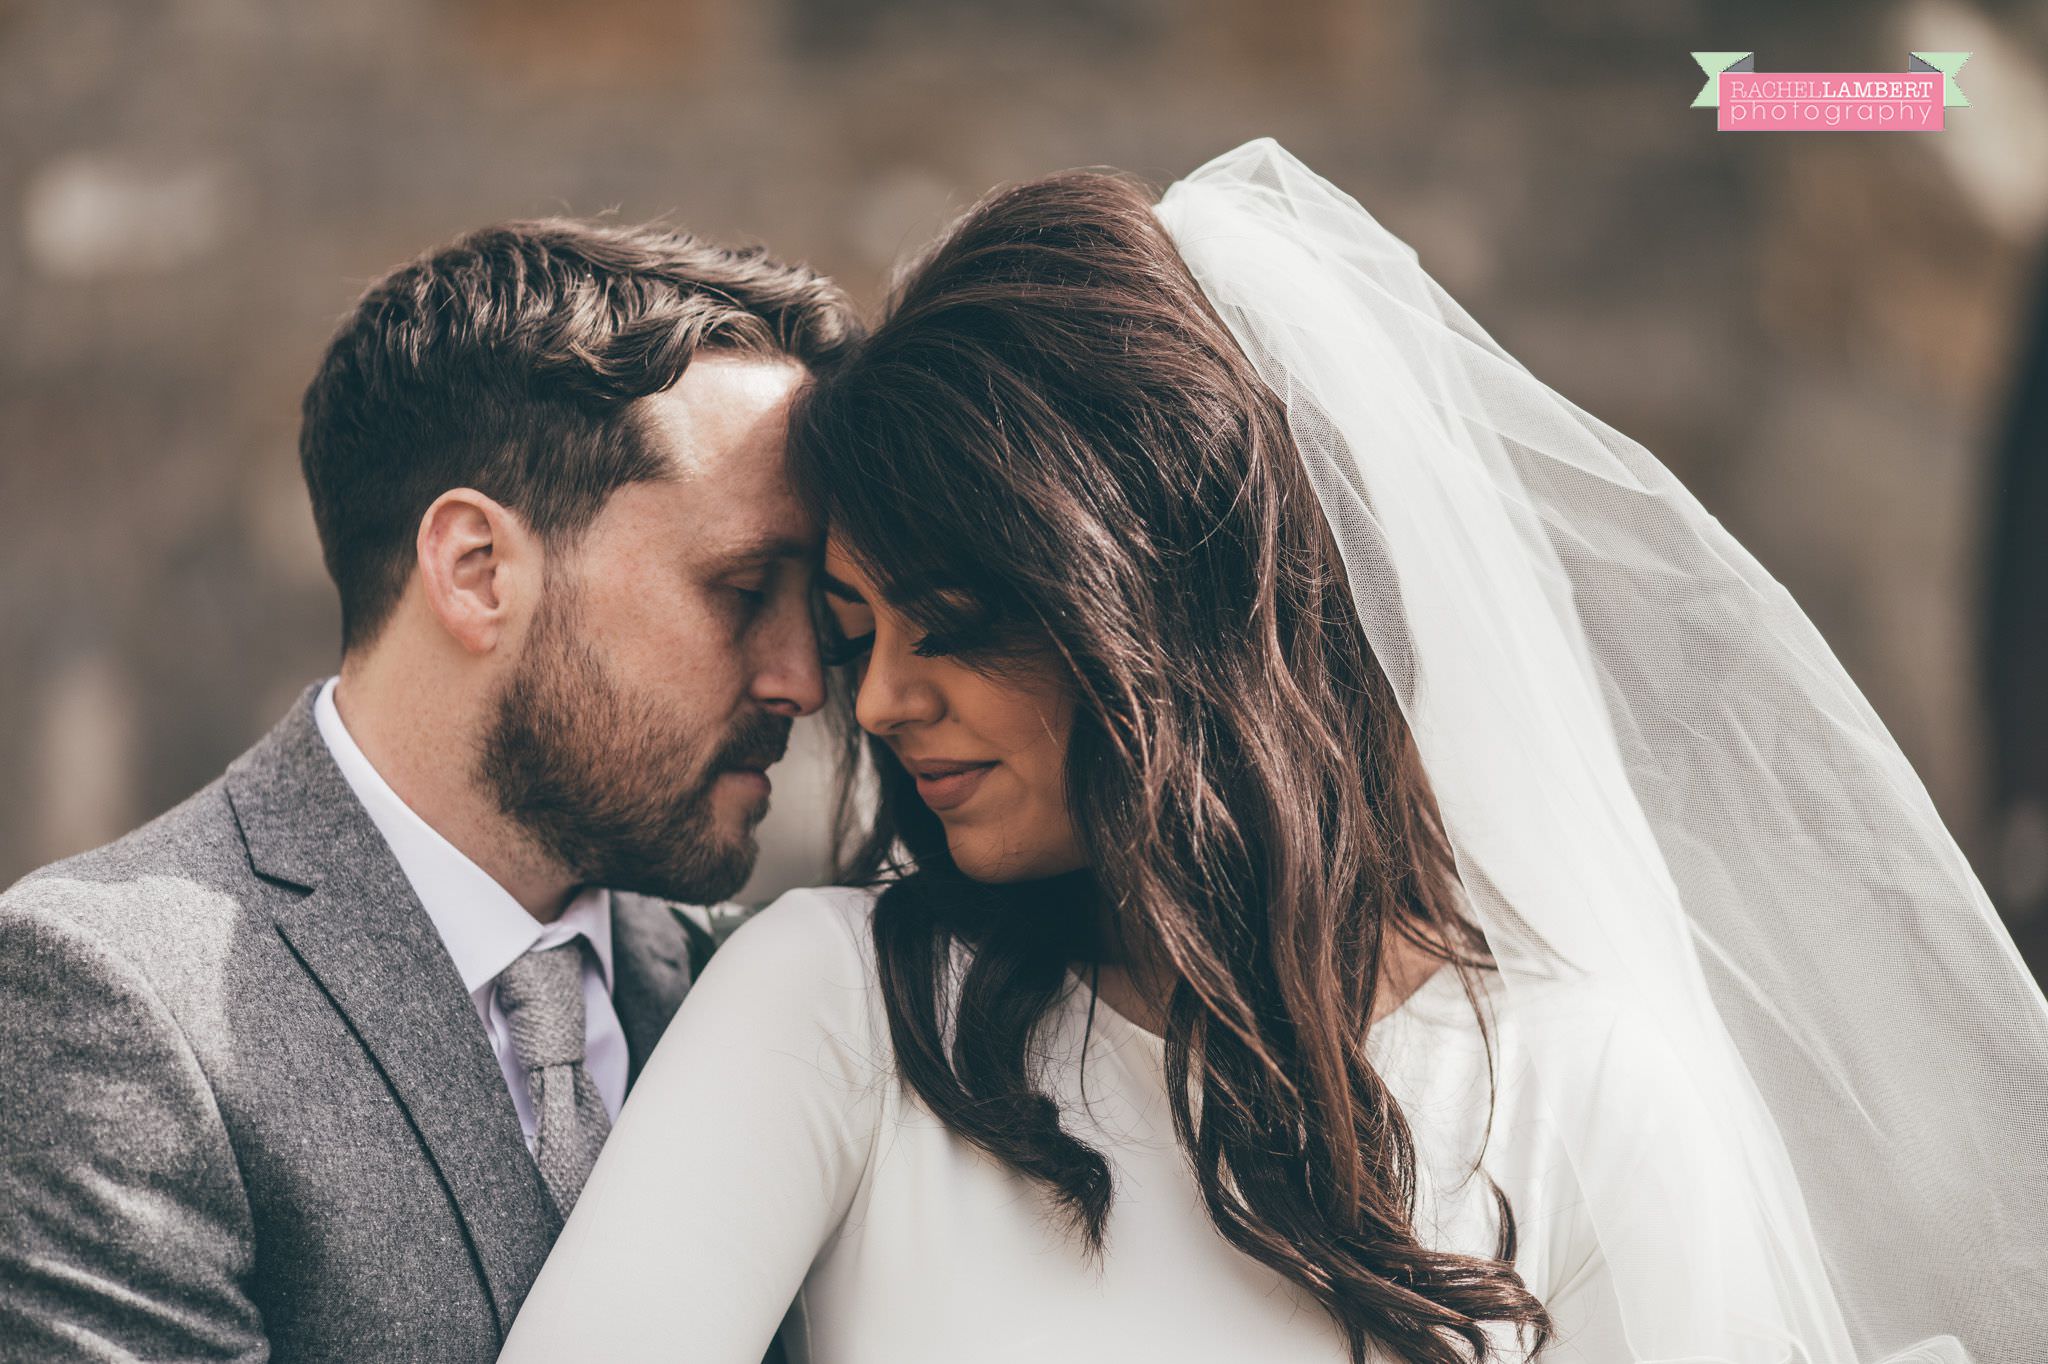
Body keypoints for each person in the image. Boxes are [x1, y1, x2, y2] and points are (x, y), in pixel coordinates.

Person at [501, 142, 2048, 1363]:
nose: (888, 701)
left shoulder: (1585, 1096)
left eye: (956, 622)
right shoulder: (844, 1005)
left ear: (1165, 612)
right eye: (860, 634)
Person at [0, 220, 856, 1362]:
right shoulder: (108, 999)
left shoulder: (758, 983)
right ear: (476, 568)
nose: (802, 676)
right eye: (744, 588)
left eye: (823, 610)